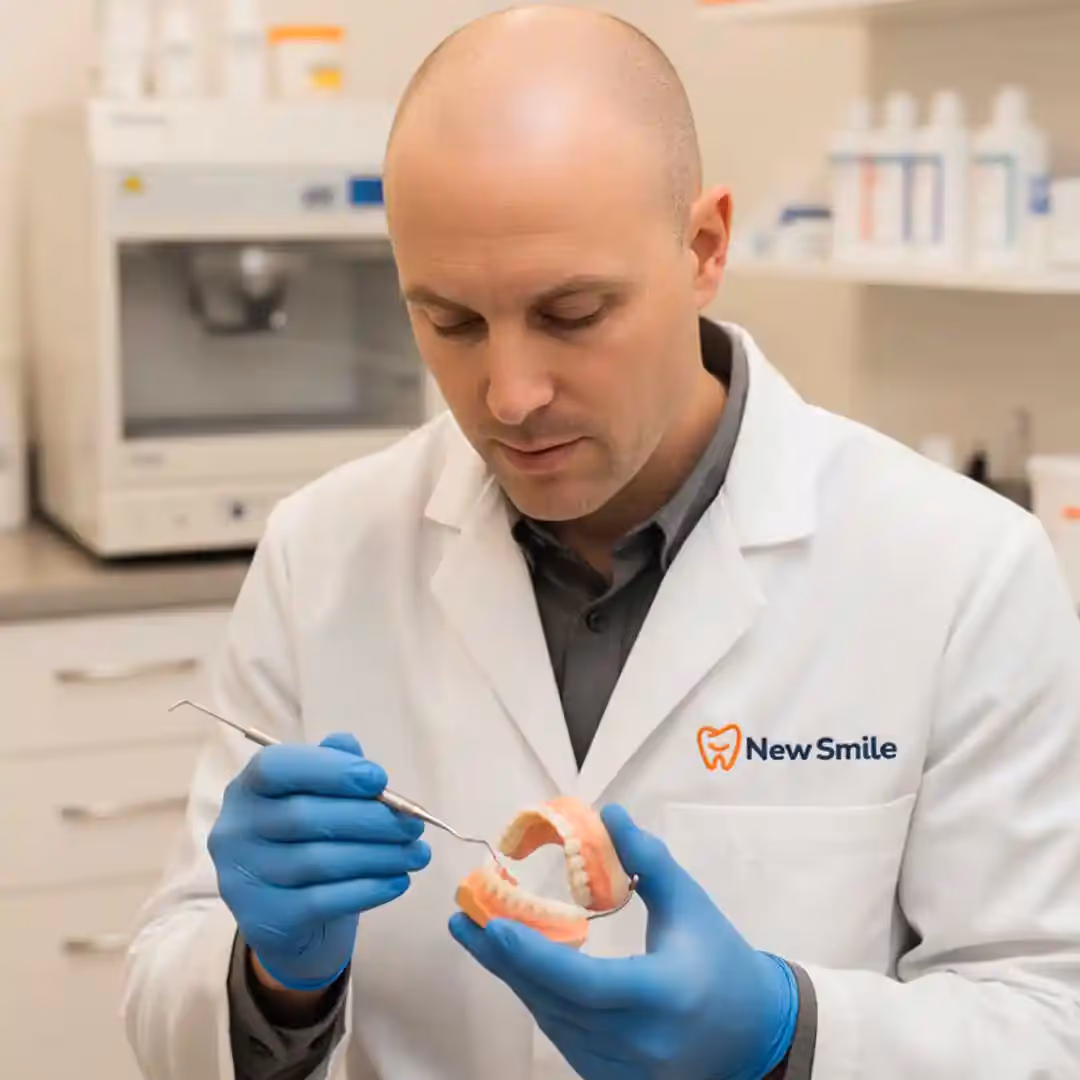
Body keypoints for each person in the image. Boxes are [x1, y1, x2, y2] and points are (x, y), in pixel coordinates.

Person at [123, 6, 1080, 1080]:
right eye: (450, 321)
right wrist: (272, 978)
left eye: (573, 314)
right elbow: (165, 991)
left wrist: (791, 1035)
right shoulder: (323, 552)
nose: (511, 395)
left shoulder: (961, 570)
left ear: (704, 249)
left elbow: (1049, 1018)